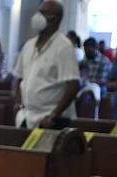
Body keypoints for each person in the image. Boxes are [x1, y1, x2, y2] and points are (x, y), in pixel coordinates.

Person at [14, 1, 80, 129]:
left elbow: (73, 85)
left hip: (52, 119)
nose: (37, 16)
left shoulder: (63, 46)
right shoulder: (29, 45)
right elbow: (18, 78)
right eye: (38, 12)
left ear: (55, 18)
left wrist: (54, 115)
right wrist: (18, 104)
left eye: (43, 13)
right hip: (26, 117)